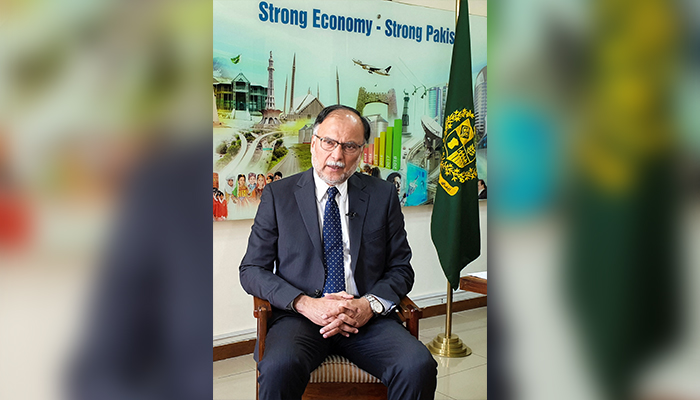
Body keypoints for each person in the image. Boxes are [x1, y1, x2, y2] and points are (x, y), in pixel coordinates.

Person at [240, 105, 437, 400]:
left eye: (349, 146)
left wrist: (369, 305)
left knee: (417, 366)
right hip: (301, 318)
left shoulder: (382, 195)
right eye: (329, 142)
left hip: (365, 317)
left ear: (361, 151)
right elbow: (252, 270)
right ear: (313, 142)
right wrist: (305, 303)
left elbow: (401, 268)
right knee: (279, 367)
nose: (337, 156)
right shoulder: (278, 195)